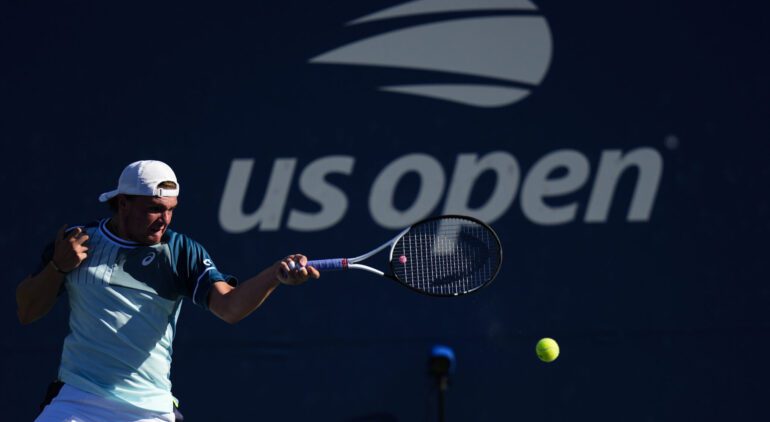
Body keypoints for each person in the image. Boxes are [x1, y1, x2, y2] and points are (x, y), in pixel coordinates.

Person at [16, 160, 320, 422]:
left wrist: (274, 276)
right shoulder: (77, 242)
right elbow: (27, 311)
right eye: (154, 209)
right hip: (77, 401)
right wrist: (57, 266)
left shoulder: (180, 251)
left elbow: (229, 307)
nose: (164, 220)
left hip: (149, 409)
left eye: (171, 210)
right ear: (123, 203)